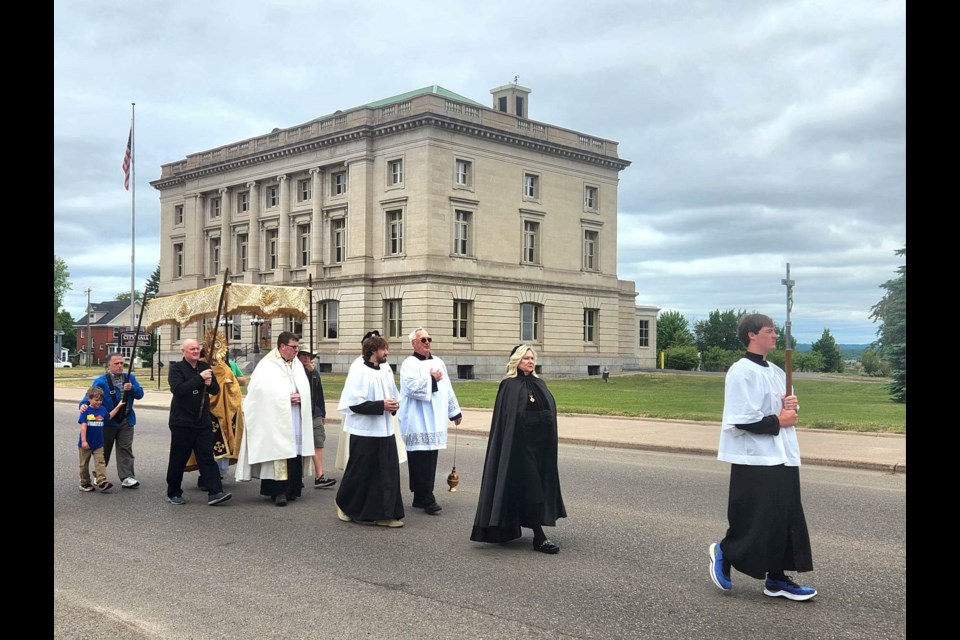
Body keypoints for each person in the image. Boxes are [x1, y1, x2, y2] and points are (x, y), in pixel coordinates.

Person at [707, 313, 817, 601]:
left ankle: (777, 579)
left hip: (783, 455)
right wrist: (780, 421)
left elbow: (788, 411)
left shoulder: (778, 371)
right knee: (756, 518)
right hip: (755, 458)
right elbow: (742, 419)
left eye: (775, 331)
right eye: (769, 330)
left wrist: (792, 406)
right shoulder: (741, 371)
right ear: (752, 335)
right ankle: (725, 552)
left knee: (784, 516)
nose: (775, 335)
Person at [470, 345, 566, 554]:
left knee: (535, 488)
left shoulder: (539, 383)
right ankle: (539, 538)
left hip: (540, 447)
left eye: (532, 358)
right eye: (525, 358)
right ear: (516, 361)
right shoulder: (509, 386)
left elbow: (547, 409)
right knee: (534, 491)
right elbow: (509, 419)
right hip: (519, 447)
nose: (530, 362)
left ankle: (525, 527)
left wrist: (546, 419)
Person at [236, 332, 316, 507]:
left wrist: (302, 396)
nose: (296, 351)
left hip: (295, 416)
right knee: (279, 452)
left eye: (297, 347)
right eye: (293, 347)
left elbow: (304, 388)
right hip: (276, 418)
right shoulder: (267, 365)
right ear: (282, 347)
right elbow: (258, 391)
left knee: (294, 449)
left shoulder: (296, 364)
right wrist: (286, 398)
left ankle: (292, 489)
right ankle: (278, 491)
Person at [335, 334, 404, 527]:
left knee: (386, 473)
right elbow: (353, 403)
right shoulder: (359, 371)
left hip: (384, 430)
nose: (387, 353)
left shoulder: (385, 369)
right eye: (384, 349)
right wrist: (381, 405)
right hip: (364, 431)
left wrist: (393, 404)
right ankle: (345, 505)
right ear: (373, 351)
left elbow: (393, 393)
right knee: (360, 473)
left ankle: (384, 513)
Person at [398, 327, 462, 515]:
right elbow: (410, 388)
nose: (427, 342)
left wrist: (454, 412)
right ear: (413, 343)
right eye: (422, 339)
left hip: (435, 419)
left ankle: (421, 496)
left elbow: (448, 388)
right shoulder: (408, 364)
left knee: (431, 458)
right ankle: (426, 496)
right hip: (417, 418)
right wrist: (431, 379)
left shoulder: (439, 362)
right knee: (419, 459)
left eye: (428, 339)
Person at [165, 339, 232, 506]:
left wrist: (210, 384)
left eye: (197, 348)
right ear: (184, 351)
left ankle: (215, 492)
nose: (195, 351)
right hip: (182, 422)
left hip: (202, 421)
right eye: (192, 349)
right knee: (178, 459)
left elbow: (215, 390)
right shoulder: (176, 369)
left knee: (207, 457)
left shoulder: (205, 367)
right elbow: (179, 390)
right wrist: (199, 379)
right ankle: (173, 492)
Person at [79, 353, 144, 489]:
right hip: (108, 422)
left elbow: (140, 394)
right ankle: (99, 475)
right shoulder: (101, 381)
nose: (120, 365)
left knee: (125, 449)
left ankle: (127, 477)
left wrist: (132, 388)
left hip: (126, 420)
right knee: (104, 451)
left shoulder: (130, 378)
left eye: (122, 363)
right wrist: (83, 405)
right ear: (108, 365)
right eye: (116, 363)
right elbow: (89, 396)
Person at [297, 348, 336, 489]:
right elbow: (302, 388)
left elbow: (319, 393)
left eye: (309, 355)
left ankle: (319, 476)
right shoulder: (297, 371)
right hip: (300, 412)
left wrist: (323, 413)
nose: (307, 358)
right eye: (304, 355)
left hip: (315, 413)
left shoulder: (314, 372)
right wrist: (308, 372)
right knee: (300, 445)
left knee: (318, 442)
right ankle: (298, 476)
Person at [77, 386, 122, 492]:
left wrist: (119, 406)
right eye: (96, 400)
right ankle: (85, 483)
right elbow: (83, 426)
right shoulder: (86, 410)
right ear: (89, 399)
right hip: (86, 443)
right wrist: (84, 441)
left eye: (101, 400)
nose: (99, 402)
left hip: (98, 443)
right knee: (84, 464)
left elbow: (109, 416)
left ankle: (102, 481)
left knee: (100, 462)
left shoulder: (102, 409)